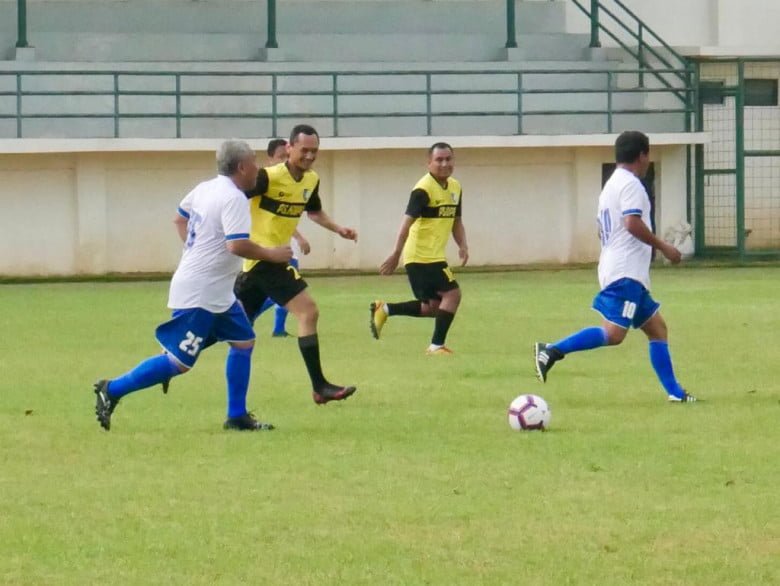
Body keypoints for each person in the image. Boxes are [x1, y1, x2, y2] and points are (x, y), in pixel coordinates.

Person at [93, 140, 293, 431]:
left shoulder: (205, 188)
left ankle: (236, 416)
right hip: (201, 292)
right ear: (241, 167)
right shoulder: (234, 197)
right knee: (180, 363)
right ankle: (111, 389)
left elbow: (179, 218)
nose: (258, 167)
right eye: (254, 161)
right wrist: (272, 254)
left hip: (218, 292)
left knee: (243, 341)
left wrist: (195, 250)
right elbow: (236, 245)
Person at [533, 130, 698, 403]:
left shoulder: (611, 184)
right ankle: (551, 350)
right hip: (626, 273)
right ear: (643, 155)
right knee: (614, 334)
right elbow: (632, 223)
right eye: (648, 156)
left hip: (622, 270)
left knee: (657, 329)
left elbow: (604, 231)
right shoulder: (631, 185)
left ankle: (676, 393)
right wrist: (665, 247)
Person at [235, 124, 358, 404]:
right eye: (304, 150)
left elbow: (313, 212)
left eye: (314, 151)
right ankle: (319, 386)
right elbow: (233, 199)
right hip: (264, 260)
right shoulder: (266, 177)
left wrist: (338, 229)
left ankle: (170, 361)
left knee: (231, 326)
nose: (310, 156)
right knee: (308, 311)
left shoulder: (311, 180)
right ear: (289, 148)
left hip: (261, 267)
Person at [370, 142, 469, 355]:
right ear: (429, 163)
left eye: (448, 159)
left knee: (434, 307)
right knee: (453, 294)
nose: (444, 164)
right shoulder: (422, 190)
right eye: (439, 160)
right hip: (421, 256)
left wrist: (462, 244)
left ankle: (385, 309)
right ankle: (436, 346)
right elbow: (406, 223)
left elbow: (456, 220)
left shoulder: (455, 187)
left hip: (433, 256)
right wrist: (396, 253)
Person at [256, 138, 311, 337]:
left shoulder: (296, 178)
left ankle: (278, 328)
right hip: (266, 248)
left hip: (285, 245)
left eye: (286, 157)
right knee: (285, 291)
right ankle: (248, 315)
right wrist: (300, 237)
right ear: (269, 159)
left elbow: (287, 216)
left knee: (287, 289)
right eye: (280, 157)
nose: (284, 161)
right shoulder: (264, 181)